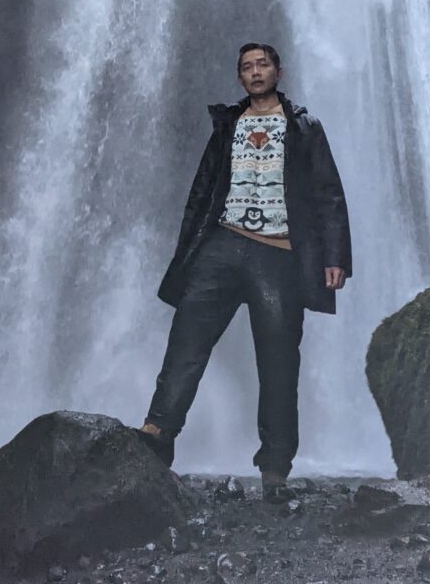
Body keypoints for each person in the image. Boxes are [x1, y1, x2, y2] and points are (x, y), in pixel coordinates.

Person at [137, 43, 353, 502]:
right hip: (222, 244)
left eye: (262, 65)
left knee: (278, 362)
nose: (255, 73)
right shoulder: (227, 125)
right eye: (246, 67)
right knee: (186, 342)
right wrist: (187, 253)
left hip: (278, 253)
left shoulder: (304, 126)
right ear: (240, 77)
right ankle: (158, 432)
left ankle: (275, 468)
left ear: (278, 70)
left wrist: (335, 257)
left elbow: (327, 193)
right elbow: (201, 192)